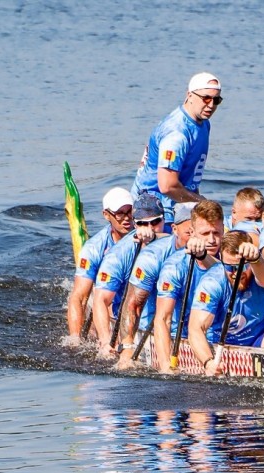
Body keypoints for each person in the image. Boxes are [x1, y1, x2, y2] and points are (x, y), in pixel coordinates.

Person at [130, 72, 222, 229]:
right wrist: (201, 202)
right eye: (206, 98)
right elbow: (167, 185)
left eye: (216, 100)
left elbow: (191, 174)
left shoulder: (203, 124)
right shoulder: (177, 134)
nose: (211, 105)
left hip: (178, 200)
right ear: (189, 95)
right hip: (153, 208)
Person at [114, 201, 197, 369]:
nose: (197, 239)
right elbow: (133, 306)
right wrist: (127, 347)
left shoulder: (212, 244)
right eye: (190, 233)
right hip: (154, 325)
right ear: (175, 229)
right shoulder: (153, 256)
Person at [152, 200, 225, 373]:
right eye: (205, 233)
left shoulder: (231, 258)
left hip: (220, 336)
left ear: (224, 230)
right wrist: (165, 367)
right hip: (182, 338)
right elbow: (163, 318)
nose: (212, 240)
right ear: (192, 232)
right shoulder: (174, 267)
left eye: (217, 232)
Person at [188, 230, 264, 376]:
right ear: (221, 259)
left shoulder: (261, 270)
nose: (237, 273)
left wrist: (256, 259)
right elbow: (195, 329)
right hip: (220, 347)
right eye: (230, 267)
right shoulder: (212, 282)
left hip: (259, 340)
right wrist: (208, 362)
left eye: (243, 266)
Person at [91, 192, 166, 357]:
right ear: (135, 224)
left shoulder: (174, 242)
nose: (150, 228)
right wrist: (105, 341)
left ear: (164, 220)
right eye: (142, 224)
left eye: (155, 222)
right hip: (134, 322)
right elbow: (101, 300)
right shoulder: (118, 255)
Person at [65, 187, 135, 346]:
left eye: (130, 211)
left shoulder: (145, 232)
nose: (126, 218)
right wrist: (75, 340)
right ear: (106, 215)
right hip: (108, 297)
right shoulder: (94, 248)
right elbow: (79, 297)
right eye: (119, 213)